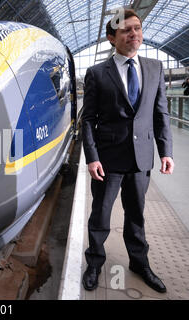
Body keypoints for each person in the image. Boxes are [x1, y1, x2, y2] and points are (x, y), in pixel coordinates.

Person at [81, 9, 174, 293]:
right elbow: (87, 119)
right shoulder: (97, 72)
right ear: (112, 38)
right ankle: (95, 262)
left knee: (137, 214)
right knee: (101, 215)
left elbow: (161, 114)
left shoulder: (155, 68)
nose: (134, 34)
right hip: (108, 159)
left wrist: (165, 151)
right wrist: (92, 157)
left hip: (142, 157)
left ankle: (140, 262)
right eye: (126, 30)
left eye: (137, 28)